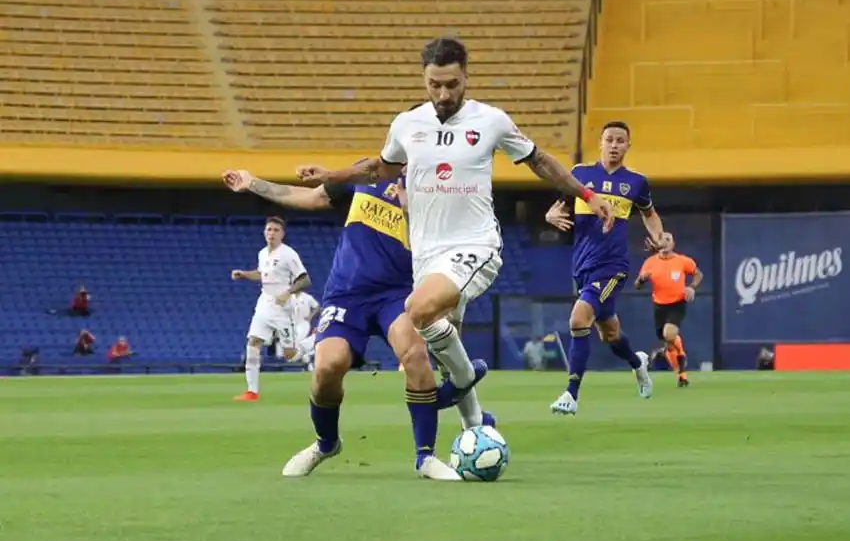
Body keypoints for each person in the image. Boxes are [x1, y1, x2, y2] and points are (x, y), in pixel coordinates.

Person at [295, 36, 613, 425]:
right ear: (424, 80)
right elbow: (381, 167)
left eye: (452, 84)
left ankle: (463, 379)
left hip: (474, 244)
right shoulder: (407, 124)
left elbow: (540, 161)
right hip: (427, 253)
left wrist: (587, 195)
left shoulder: (491, 120)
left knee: (418, 310)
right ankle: (476, 427)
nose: (443, 93)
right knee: (446, 336)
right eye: (434, 85)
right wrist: (332, 174)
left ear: (466, 78)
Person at [222, 167, 490, 481]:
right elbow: (309, 195)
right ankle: (326, 443)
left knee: (415, 356)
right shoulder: (368, 174)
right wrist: (254, 182)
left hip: (397, 294)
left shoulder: (439, 193)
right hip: (346, 294)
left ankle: (425, 457)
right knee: (326, 367)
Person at [544, 121, 664, 415]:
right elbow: (557, 207)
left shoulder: (636, 182)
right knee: (609, 334)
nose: (614, 145)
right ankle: (638, 364)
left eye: (620, 141)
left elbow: (650, 214)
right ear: (600, 143)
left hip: (612, 266)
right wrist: (550, 216)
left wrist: (658, 237)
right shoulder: (581, 175)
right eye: (609, 139)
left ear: (627, 146)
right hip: (582, 265)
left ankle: (571, 394)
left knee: (578, 319)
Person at [231, 217, 311, 401]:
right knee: (253, 342)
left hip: (283, 308)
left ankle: (310, 345)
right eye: (269, 230)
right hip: (264, 303)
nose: (271, 233)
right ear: (264, 232)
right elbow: (261, 274)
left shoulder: (288, 254)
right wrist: (244, 274)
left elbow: (305, 279)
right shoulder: (262, 254)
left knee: (289, 355)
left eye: (276, 230)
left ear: (282, 234)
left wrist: (288, 292)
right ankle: (252, 391)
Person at [635, 232, 702, 387]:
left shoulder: (682, 261)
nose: (665, 242)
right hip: (659, 306)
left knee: (669, 334)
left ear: (673, 244)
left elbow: (698, 274)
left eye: (668, 239)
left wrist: (691, 287)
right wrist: (641, 279)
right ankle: (681, 374)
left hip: (677, 304)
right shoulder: (650, 262)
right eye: (662, 239)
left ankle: (681, 369)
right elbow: (637, 285)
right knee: (669, 342)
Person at [281, 291, 320, 361]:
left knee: (298, 342)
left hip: (303, 323)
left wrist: (310, 317)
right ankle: (306, 357)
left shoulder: (307, 297)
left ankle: (306, 357)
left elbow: (317, 307)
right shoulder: (289, 297)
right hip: (292, 324)